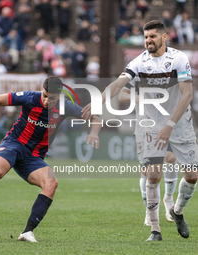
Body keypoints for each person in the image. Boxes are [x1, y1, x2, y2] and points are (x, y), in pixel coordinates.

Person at [0, 76, 101, 242]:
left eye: (51, 98)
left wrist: (93, 132)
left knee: (51, 184)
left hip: (34, 157)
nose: (45, 101)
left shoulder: (65, 107)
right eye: (44, 95)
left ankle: (27, 232)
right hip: (13, 144)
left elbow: (95, 118)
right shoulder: (29, 97)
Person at [83, 20, 197, 241]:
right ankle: (155, 229)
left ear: (164, 37)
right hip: (151, 124)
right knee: (153, 174)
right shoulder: (139, 62)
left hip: (180, 123)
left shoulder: (179, 59)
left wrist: (170, 125)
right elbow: (117, 86)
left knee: (192, 176)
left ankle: (177, 211)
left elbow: (187, 95)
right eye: (146, 37)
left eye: (152, 36)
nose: (148, 41)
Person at [119, 82, 178, 225]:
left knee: (171, 158)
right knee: (147, 171)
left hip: (167, 122)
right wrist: (137, 97)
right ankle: (149, 210)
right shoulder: (138, 70)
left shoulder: (172, 67)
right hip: (145, 126)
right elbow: (122, 95)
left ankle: (168, 199)